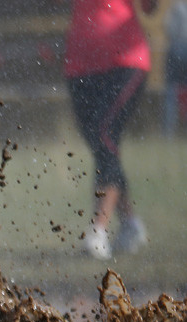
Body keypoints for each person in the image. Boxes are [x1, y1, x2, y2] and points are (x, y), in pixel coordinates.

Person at [65, 0, 157, 259]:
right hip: (80, 65)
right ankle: (130, 223)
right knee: (102, 146)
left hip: (125, 62)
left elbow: (150, 7)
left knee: (104, 135)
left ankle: (98, 230)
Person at [163, 0, 187, 135]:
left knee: (171, 93)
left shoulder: (177, 7)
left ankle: (168, 131)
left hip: (176, 51)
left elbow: (168, 28)